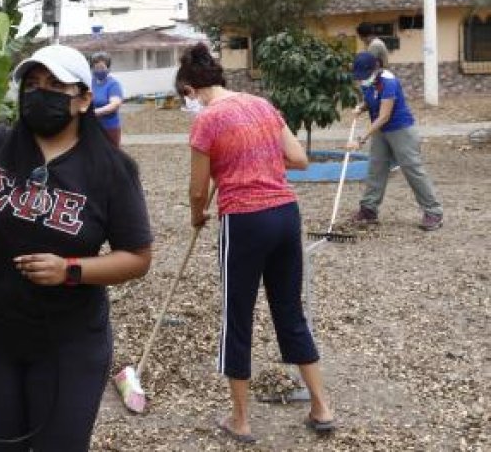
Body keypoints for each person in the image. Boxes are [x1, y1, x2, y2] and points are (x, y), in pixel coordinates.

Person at [0, 44, 153, 451]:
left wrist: (70, 269)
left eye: (54, 85)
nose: (40, 93)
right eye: (32, 85)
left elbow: (137, 258)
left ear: (83, 99)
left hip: (70, 343)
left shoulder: (111, 170)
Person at [178, 43, 335, 444]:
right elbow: (298, 158)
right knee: (289, 310)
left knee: (237, 315)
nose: (187, 105)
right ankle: (321, 407)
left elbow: (198, 191)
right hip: (285, 215)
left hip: (245, 222)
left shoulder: (207, 120)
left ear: (191, 90)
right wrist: (256, 158)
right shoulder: (262, 105)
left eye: (185, 98)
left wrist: (198, 216)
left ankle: (241, 420)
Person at [347, 52, 443, 230]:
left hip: (401, 130)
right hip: (381, 131)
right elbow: (372, 101)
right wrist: (361, 107)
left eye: (363, 77)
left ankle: (433, 212)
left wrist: (360, 140)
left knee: (412, 169)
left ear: (375, 69)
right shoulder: (367, 81)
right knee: (376, 168)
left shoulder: (389, 82)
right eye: (359, 77)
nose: (361, 81)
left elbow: (384, 115)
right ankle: (369, 210)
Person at [89, 51, 125, 147]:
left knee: (110, 156)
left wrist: (94, 112)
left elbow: (115, 104)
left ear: (108, 68)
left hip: (109, 128)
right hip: (92, 127)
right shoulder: (89, 83)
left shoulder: (113, 84)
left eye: (102, 67)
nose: (99, 70)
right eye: (96, 67)